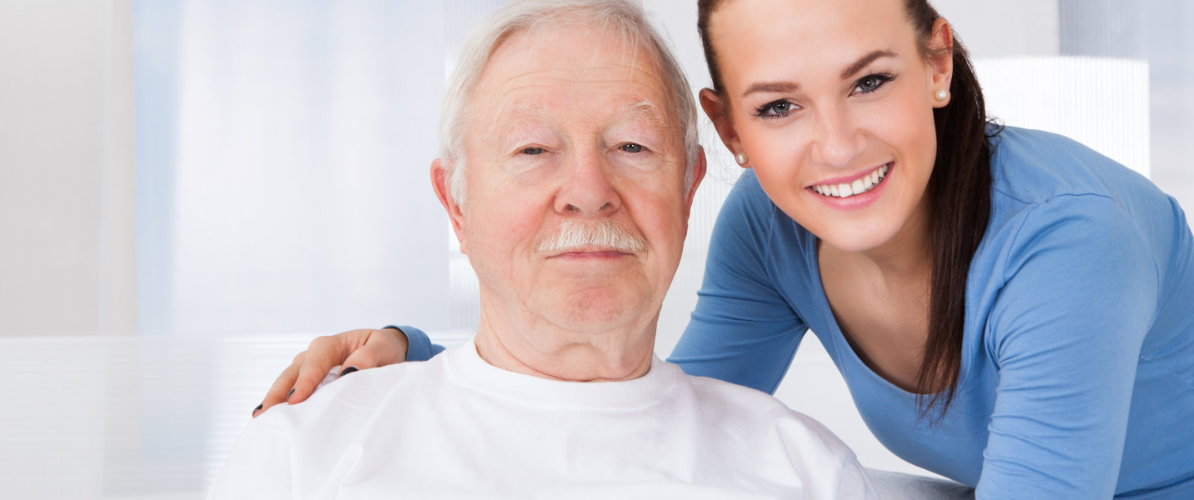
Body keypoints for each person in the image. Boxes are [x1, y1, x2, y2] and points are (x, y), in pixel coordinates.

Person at [261, 0, 1194, 497]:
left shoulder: (1070, 242)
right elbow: (663, 414)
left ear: (940, 62)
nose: (835, 144)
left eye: (871, 80)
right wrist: (442, 360)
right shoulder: (772, 229)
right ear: (729, 131)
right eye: (782, 105)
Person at [208, 1, 878, 498]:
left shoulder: (805, 470)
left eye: (632, 148)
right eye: (533, 151)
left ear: (687, 189)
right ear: (456, 203)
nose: (589, 192)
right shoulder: (304, 454)